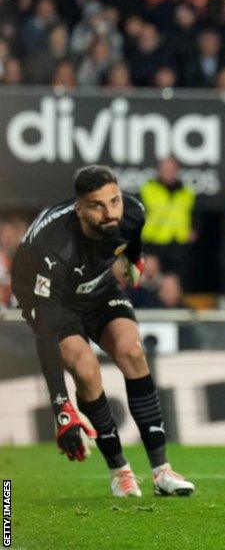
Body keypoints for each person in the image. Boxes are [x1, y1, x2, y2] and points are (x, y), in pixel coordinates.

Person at [10, 165, 195, 498]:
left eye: (115, 201)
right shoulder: (52, 249)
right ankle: (120, 473)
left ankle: (162, 471)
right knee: (86, 370)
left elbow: (131, 240)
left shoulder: (132, 213)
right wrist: (61, 408)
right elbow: (46, 336)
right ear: (80, 208)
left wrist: (134, 261)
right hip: (53, 302)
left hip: (97, 288)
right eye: (98, 205)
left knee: (132, 351)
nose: (111, 213)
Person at [139, 156, 195, 278]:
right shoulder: (148, 189)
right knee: (153, 283)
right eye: (165, 169)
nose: (168, 172)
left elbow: (195, 214)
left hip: (179, 245)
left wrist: (195, 230)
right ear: (159, 169)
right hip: (154, 244)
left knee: (178, 282)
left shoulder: (187, 192)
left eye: (171, 169)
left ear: (177, 170)